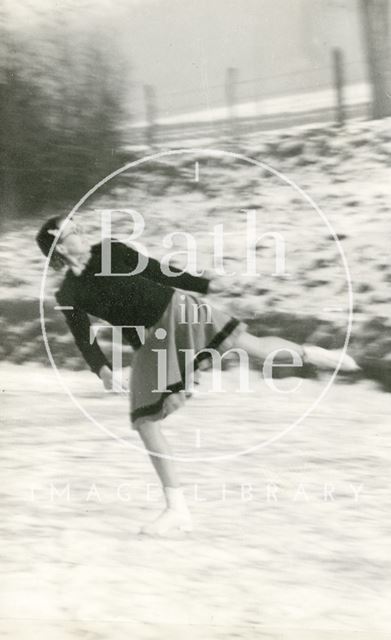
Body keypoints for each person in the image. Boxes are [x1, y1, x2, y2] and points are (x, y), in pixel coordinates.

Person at [36, 215, 358, 535]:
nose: (81, 233)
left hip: (179, 313)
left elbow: (157, 270)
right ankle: (177, 510)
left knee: (253, 346)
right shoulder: (68, 294)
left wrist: (206, 285)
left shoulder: (111, 250)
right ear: (59, 249)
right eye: (72, 233)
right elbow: (82, 335)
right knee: (144, 421)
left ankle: (312, 354)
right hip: (150, 343)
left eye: (79, 228)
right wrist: (102, 369)